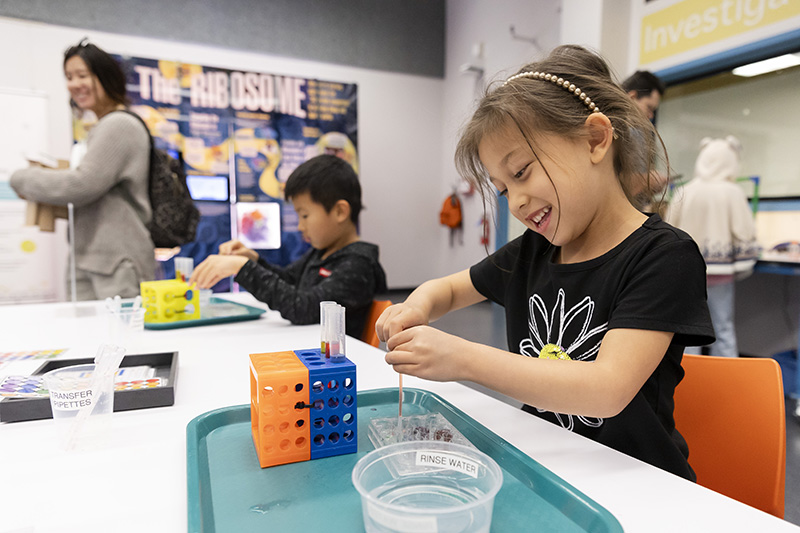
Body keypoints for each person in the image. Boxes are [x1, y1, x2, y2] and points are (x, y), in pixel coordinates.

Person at [376, 45, 714, 481]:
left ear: (595, 139)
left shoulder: (663, 256)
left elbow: (606, 389)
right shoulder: (534, 250)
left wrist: (461, 358)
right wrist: (417, 307)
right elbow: (451, 289)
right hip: (547, 466)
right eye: (502, 189)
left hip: (636, 480)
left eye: (521, 173)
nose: (515, 202)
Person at [10, 40, 154, 300]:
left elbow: (82, 185)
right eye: (69, 77)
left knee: (121, 339)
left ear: (105, 77)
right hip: (94, 256)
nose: (74, 84)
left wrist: (22, 179)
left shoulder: (118, 125)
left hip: (116, 261)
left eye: (82, 75)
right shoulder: (102, 126)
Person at [189, 154, 387, 338]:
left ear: (340, 212)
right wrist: (253, 261)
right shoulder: (321, 253)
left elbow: (303, 307)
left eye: (305, 215)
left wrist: (242, 268)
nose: (300, 226)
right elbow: (288, 281)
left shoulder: (359, 266)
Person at [666, 136, 760, 357]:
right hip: (720, 274)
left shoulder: (685, 190)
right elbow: (744, 232)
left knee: (689, 331)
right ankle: (726, 383)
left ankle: (689, 384)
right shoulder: (732, 192)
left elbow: (669, 230)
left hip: (687, 272)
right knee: (723, 328)